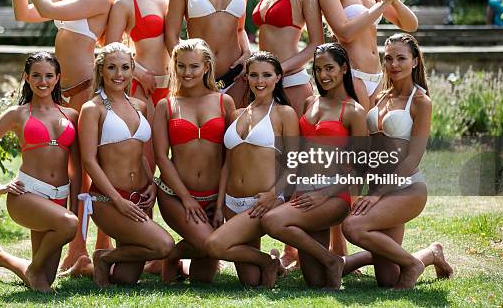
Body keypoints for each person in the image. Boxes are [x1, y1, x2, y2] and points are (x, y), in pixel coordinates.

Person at [11, 0, 115, 269]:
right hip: (59, 94)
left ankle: (86, 249)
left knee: (85, 173)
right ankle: (80, 248)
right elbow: (25, 13)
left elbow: (47, 8)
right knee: (72, 173)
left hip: (84, 90)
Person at [341, 33, 453, 289]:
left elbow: (413, 157)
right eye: (388, 58)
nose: (393, 64)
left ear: (415, 62)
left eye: (401, 58)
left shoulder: (421, 102)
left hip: (406, 188)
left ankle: (411, 265)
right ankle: (431, 254)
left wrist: (378, 193)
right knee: (387, 279)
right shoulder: (381, 97)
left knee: (353, 226)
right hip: (379, 187)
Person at [0, 52, 80, 292]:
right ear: (26, 78)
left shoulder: (70, 115)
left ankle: (1, 257)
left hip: (60, 195)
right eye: (36, 75)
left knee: (45, 281)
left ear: (58, 78)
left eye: (49, 76)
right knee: (68, 225)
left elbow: (76, 168)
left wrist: (76, 206)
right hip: (27, 195)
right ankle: (32, 269)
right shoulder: (17, 114)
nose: (43, 81)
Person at [261, 43, 367, 289]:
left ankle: (332, 260)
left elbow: (359, 167)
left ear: (344, 69)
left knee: (272, 222)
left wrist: (324, 194)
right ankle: (363, 258)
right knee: (315, 281)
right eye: (318, 69)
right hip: (303, 192)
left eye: (329, 68)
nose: (323, 75)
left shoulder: (354, 111)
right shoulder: (311, 102)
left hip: (332, 196)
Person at [75, 42, 174, 286]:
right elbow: (88, 160)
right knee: (163, 245)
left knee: (124, 279)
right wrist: (118, 201)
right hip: (109, 200)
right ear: (101, 71)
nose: (119, 74)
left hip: (140, 197)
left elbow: (139, 154)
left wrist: (152, 182)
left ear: (132, 70)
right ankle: (104, 257)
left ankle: (101, 260)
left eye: (125, 68)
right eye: (112, 68)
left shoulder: (139, 105)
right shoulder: (92, 109)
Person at [205, 51, 299, 288]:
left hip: (262, 201)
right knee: (250, 281)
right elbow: (228, 163)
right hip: (231, 203)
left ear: (278, 77)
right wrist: (219, 205)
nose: (260, 81)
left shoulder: (284, 114)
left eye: (266, 75)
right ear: (246, 78)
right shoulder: (236, 114)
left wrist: (273, 194)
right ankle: (272, 262)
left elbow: (295, 161)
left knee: (215, 245)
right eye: (254, 75)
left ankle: (268, 262)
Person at [153, 39, 236, 283]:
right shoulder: (166, 105)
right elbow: (161, 157)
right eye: (181, 66)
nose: (187, 73)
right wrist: (187, 199)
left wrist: (220, 204)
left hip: (214, 196)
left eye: (194, 66)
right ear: (174, 67)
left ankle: (175, 256)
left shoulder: (224, 102)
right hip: (176, 196)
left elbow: (229, 157)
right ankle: (268, 261)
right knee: (211, 244)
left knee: (203, 278)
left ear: (207, 67)